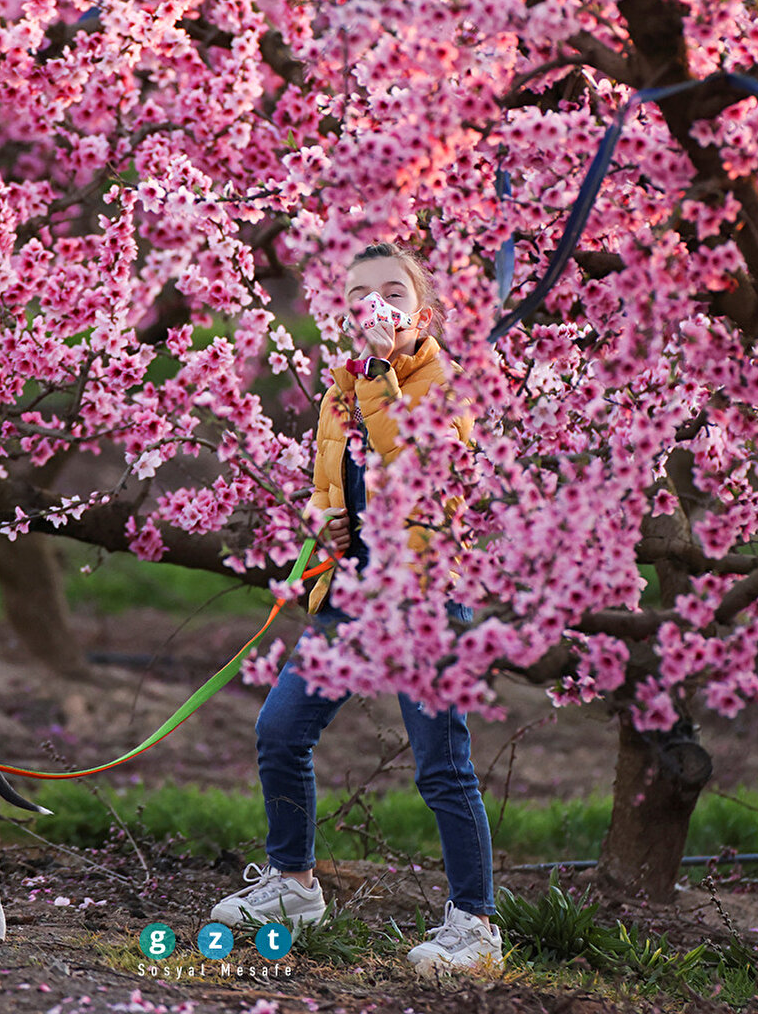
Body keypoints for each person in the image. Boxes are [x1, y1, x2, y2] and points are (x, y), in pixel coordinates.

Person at [209, 242, 502, 977]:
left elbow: (422, 472)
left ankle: (476, 927)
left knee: (441, 766)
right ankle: (294, 884)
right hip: (351, 594)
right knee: (280, 730)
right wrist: (323, 525)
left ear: (421, 314)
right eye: (359, 294)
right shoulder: (341, 390)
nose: (376, 305)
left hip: (425, 598)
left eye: (392, 295)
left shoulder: (444, 385)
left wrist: (378, 378)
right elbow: (325, 484)